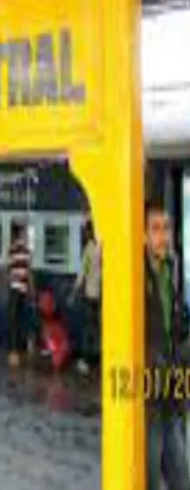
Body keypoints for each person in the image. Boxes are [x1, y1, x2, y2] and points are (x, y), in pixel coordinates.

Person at [144, 199, 190, 490]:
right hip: (147, 390)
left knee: (181, 478)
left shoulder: (172, 271)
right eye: (156, 229)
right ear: (144, 235)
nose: (163, 236)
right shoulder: (133, 275)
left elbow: (176, 327)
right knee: (147, 477)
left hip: (172, 389)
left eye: (167, 228)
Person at [72, 219, 101, 373]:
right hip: (103, 294)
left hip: (91, 294)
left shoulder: (89, 248)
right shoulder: (103, 247)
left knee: (87, 329)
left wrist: (74, 291)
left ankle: (85, 361)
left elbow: (82, 273)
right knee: (97, 328)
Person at [6, 223, 34, 367]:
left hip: (14, 289)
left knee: (13, 321)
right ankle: (22, 348)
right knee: (21, 319)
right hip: (23, 289)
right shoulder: (27, 251)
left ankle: (14, 352)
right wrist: (31, 290)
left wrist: (6, 285)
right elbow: (29, 272)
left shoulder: (12, 249)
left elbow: (9, 270)